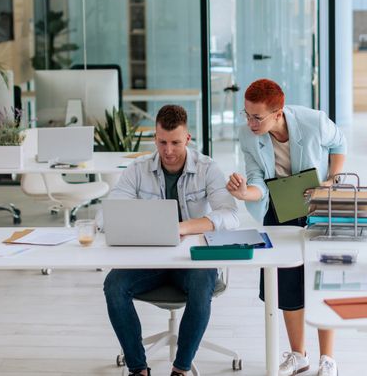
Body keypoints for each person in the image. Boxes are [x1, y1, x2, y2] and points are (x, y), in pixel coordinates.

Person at [102, 105, 239, 376]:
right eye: (162, 142)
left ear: (187, 138)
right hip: (149, 260)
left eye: (175, 142)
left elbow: (231, 216)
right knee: (113, 285)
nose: (168, 150)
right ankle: (138, 368)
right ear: (155, 137)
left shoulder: (207, 168)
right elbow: (107, 214)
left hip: (192, 260)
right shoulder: (138, 169)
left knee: (201, 284)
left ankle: (181, 369)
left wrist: (183, 227)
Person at [225, 79, 346, 376]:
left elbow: (338, 143)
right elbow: (257, 182)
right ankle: (298, 354)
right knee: (287, 282)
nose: (250, 122)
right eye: (246, 114)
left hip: (318, 205)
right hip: (280, 208)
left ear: (278, 113)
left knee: (322, 279)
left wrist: (331, 179)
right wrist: (243, 194)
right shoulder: (248, 136)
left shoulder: (312, 121)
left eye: (257, 117)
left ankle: (327, 359)